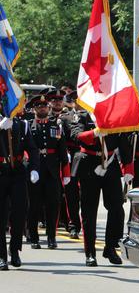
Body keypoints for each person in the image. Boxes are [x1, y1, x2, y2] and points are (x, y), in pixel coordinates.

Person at [71, 110, 133, 267]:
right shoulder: (84, 116)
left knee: (117, 208)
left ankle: (110, 247)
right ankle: (90, 253)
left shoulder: (114, 116)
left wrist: (128, 168)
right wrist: (94, 132)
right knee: (89, 211)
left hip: (110, 164)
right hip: (89, 163)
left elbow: (123, 140)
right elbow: (76, 135)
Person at [27, 95, 70, 249]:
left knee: (53, 205)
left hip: (52, 171)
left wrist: (66, 173)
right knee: (34, 205)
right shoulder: (29, 126)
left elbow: (62, 150)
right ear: (34, 109)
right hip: (35, 171)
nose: (42, 108)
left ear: (49, 108)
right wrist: (30, 168)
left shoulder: (55, 126)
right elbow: (25, 149)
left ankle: (51, 237)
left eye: (44, 105)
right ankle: (33, 237)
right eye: (39, 106)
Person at [0, 111, 39, 270]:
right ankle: (1, 255)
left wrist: (34, 168)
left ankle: (14, 250)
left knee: (20, 213)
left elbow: (33, 149)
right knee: (1, 216)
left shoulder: (22, 125)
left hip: (17, 172)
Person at [59, 91, 81, 239]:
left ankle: (86, 224)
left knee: (87, 196)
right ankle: (73, 225)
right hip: (72, 158)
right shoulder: (65, 118)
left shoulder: (94, 118)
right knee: (71, 194)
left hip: (90, 158)